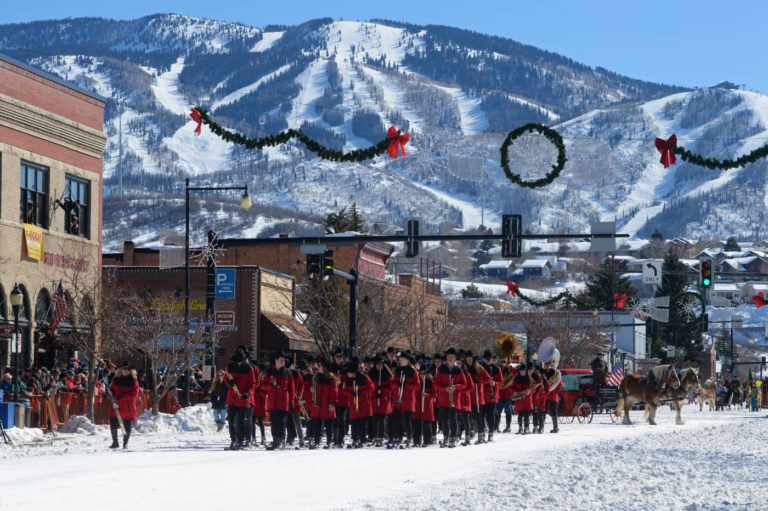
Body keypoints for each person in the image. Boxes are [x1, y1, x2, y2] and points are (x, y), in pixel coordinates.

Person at [225, 345, 257, 450]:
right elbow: (226, 380)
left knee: (240, 421)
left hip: (243, 398)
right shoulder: (229, 367)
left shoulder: (249, 368)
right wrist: (229, 383)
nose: (239, 362)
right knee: (231, 421)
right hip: (231, 398)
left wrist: (248, 393)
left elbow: (252, 384)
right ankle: (233, 440)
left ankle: (241, 440)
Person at [262, 352, 296, 451]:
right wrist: (270, 386)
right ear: (276, 360)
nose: (283, 362)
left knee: (281, 423)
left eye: (284, 361)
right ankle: (275, 441)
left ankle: (281, 442)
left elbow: (292, 389)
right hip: (272, 402)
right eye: (281, 360)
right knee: (274, 423)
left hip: (284, 402)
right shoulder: (268, 372)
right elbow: (263, 386)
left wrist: (292, 402)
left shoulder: (288, 372)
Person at [390, 351, 420, 449]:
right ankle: (396, 437)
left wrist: (405, 385)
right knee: (396, 420)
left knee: (408, 420)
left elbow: (417, 385)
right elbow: (392, 383)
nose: (400, 361)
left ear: (407, 360)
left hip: (408, 399)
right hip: (398, 398)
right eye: (400, 360)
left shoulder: (413, 371)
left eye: (402, 360)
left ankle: (409, 438)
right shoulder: (397, 370)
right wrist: (397, 385)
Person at [340, 362, 374, 448]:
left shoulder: (364, 377)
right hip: (353, 404)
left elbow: (371, 387)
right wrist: (351, 393)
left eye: (348, 372)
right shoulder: (347, 379)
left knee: (362, 424)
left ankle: (362, 440)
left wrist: (361, 392)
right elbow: (344, 390)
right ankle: (354, 439)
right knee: (354, 424)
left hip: (363, 404)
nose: (347, 374)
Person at [308, 358, 338, 449]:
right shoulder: (317, 376)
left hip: (327, 404)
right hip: (318, 404)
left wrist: (332, 403)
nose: (318, 367)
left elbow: (334, 391)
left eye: (319, 365)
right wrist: (313, 390)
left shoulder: (331, 378)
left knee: (328, 424)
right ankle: (316, 441)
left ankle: (329, 441)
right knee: (317, 423)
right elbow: (314, 390)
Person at [108, 363, 140, 449]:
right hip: (116, 405)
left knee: (126, 425)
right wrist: (111, 396)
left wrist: (122, 397)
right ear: (120, 370)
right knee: (112, 422)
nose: (125, 371)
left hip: (127, 406)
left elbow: (134, 393)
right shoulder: (116, 380)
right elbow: (111, 391)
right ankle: (115, 442)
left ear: (130, 371)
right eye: (124, 369)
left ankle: (125, 443)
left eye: (127, 370)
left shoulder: (134, 381)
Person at [464, 350, 490, 444]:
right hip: (468, 396)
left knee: (479, 417)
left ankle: (481, 434)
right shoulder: (465, 369)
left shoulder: (479, 368)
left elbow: (488, 379)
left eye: (470, 359)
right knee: (470, 417)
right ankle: (471, 433)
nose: (469, 361)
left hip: (478, 396)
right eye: (467, 360)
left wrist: (479, 381)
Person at [369, 356, 394, 447]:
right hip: (375, 399)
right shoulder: (371, 374)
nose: (379, 366)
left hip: (384, 399)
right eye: (378, 364)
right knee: (375, 419)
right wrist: (375, 391)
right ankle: (375, 436)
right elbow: (369, 386)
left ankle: (380, 436)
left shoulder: (387, 374)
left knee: (382, 419)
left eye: (381, 364)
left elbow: (391, 387)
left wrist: (382, 390)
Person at [481, 351, 504, 441]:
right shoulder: (481, 368)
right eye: (486, 359)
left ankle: (491, 432)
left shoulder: (496, 369)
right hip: (483, 395)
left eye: (489, 359)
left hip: (492, 395)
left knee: (491, 415)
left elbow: (501, 382)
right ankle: (482, 432)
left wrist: (495, 383)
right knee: (482, 415)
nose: (487, 361)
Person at [413, 360, 435, 447]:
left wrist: (426, 395)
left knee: (427, 425)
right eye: (421, 373)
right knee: (417, 425)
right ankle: (416, 441)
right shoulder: (417, 382)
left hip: (427, 406)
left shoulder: (431, 382)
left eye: (424, 373)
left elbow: (434, 395)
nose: (422, 375)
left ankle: (427, 441)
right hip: (418, 405)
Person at [497, 359, 517, 433]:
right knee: (498, 411)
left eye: (504, 362)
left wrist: (510, 367)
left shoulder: (510, 370)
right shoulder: (498, 369)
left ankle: (508, 427)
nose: (503, 363)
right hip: (500, 394)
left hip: (508, 394)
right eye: (502, 362)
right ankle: (497, 427)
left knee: (508, 411)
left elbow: (517, 372)